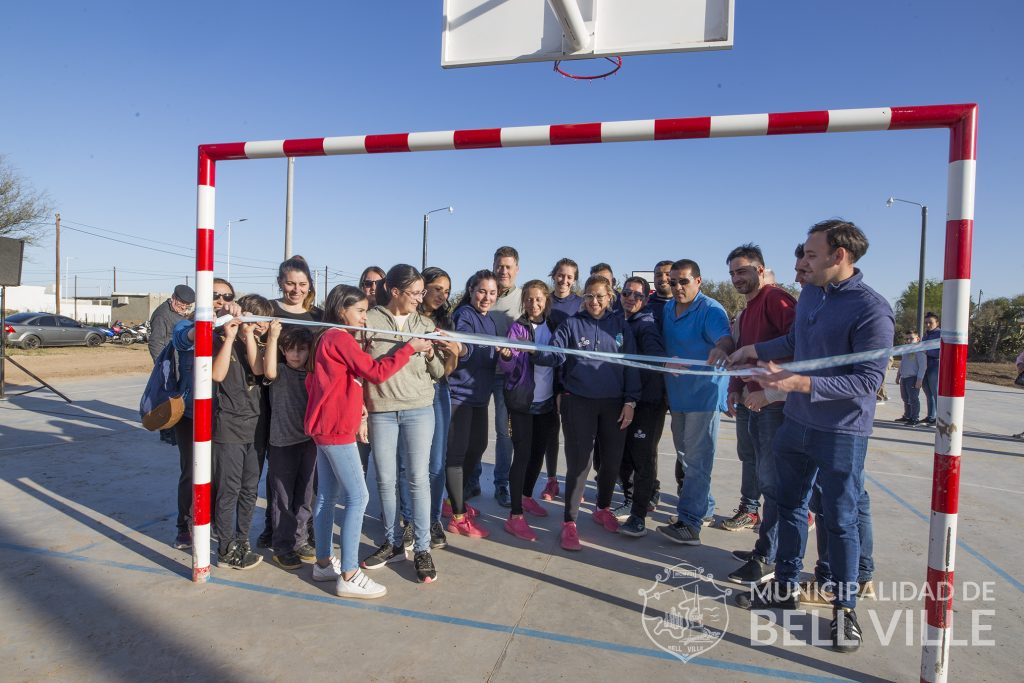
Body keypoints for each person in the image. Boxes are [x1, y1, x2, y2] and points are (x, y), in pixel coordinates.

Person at [729, 219, 894, 653]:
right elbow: (794, 340)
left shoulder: (872, 309)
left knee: (839, 520)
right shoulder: (812, 296)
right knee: (787, 506)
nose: (801, 262)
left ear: (839, 256)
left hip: (840, 432)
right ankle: (784, 585)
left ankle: (844, 608)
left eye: (809, 254)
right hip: (796, 424)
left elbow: (867, 380)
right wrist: (752, 350)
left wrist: (797, 383)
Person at [306, 284, 434, 598]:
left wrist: (356, 408)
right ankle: (349, 574)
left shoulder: (328, 337)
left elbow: (333, 380)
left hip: (326, 426)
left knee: (326, 495)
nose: (365, 317)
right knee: (358, 497)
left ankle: (323, 563)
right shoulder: (338, 337)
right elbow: (375, 372)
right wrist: (409, 348)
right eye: (360, 311)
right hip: (335, 430)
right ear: (341, 310)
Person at [542, 275, 640, 550]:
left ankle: (603, 508)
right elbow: (556, 354)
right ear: (583, 297)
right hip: (578, 401)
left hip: (614, 403)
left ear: (610, 297)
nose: (594, 301)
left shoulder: (620, 325)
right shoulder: (571, 324)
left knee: (611, 460)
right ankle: (569, 522)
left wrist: (631, 401)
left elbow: (632, 364)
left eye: (599, 296)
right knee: (579, 462)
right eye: (589, 296)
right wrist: (536, 352)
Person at [362, 264, 445, 583]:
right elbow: (361, 367)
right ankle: (393, 543)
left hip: (419, 409)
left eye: (422, 292)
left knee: (417, 480)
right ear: (395, 291)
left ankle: (422, 548)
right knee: (384, 480)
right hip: (381, 409)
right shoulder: (368, 320)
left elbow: (438, 372)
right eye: (416, 293)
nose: (420, 298)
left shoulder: (424, 323)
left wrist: (434, 354)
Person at [720, 244, 797, 587]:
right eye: (732, 273)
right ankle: (764, 547)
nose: (737, 278)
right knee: (759, 474)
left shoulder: (777, 300)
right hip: (752, 402)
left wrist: (770, 394)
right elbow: (742, 353)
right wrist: (735, 386)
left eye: (743, 271)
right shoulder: (748, 310)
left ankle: (769, 556)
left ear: (761, 270)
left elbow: (798, 346)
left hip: (774, 406)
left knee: (773, 483)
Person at [656, 259, 733, 545]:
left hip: (704, 396)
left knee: (698, 460)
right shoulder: (668, 308)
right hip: (678, 395)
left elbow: (725, 340)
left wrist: (721, 349)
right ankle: (705, 507)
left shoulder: (710, 310)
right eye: (673, 282)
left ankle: (690, 523)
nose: (678, 287)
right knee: (685, 456)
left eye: (684, 281)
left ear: (698, 281)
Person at [169, 282, 239, 550]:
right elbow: (183, 339)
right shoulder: (186, 325)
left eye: (227, 296)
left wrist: (238, 319)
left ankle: (214, 521)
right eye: (214, 294)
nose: (220, 299)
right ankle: (185, 525)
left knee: (221, 474)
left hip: (226, 414)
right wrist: (204, 326)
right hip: (192, 413)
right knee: (192, 471)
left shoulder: (232, 326)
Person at [211, 293, 274, 571]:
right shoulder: (221, 338)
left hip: (256, 426)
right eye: (256, 320)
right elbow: (217, 375)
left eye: (264, 322)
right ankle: (225, 548)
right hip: (229, 425)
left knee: (249, 489)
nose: (261, 326)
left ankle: (242, 540)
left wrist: (251, 336)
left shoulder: (260, 345)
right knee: (229, 489)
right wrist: (230, 336)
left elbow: (260, 370)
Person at [498, 280, 561, 541]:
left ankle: (526, 497)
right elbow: (509, 367)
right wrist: (506, 357)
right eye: (528, 299)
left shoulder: (555, 327)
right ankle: (515, 516)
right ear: (523, 301)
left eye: (538, 299)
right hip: (522, 402)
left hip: (547, 403)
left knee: (537, 455)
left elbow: (560, 358)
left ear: (546, 300)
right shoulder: (518, 328)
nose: (533, 304)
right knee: (522, 456)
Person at [406, 266, 461, 549]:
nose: (442, 295)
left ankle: (433, 520)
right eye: (437, 288)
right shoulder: (407, 317)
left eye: (447, 291)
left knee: (436, 462)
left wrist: (453, 353)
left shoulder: (446, 322)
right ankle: (408, 520)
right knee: (409, 462)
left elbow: (446, 371)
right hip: (409, 391)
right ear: (422, 287)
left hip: (438, 391)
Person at [446, 270, 501, 538]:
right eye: (482, 291)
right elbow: (464, 345)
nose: (486, 297)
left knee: (477, 447)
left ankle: (452, 501)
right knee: (457, 455)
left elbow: (489, 356)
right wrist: (465, 349)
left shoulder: (489, 321)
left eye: (492, 293)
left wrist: (505, 353)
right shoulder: (464, 315)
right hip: (460, 395)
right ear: (471, 291)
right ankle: (457, 516)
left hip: (480, 396)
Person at [614, 276, 668, 538]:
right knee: (621, 456)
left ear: (646, 300)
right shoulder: (618, 320)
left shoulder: (646, 324)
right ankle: (629, 499)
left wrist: (665, 362)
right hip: (625, 400)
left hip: (648, 402)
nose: (631, 298)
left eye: (637, 295)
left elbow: (655, 355)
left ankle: (638, 516)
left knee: (642, 458)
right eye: (627, 293)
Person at [263, 324, 317, 570]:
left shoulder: (313, 373)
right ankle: (282, 546)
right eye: (290, 349)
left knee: (305, 495)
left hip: (309, 442)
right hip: (282, 443)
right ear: (283, 351)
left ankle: (300, 540)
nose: (296, 354)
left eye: (301, 349)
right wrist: (274, 337)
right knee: (282, 499)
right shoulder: (280, 371)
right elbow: (269, 371)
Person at [475, 246, 522, 508]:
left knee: (504, 432)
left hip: (507, 376)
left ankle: (501, 483)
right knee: (475, 430)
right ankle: (472, 479)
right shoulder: (483, 292)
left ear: (516, 269)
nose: (503, 271)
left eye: (508, 266)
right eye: (499, 265)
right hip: (480, 373)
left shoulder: (523, 297)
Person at [543, 257, 583, 501]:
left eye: (569, 277)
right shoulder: (543, 300)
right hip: (547, 375)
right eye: (560, 275)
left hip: (571, 376)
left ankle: (574, 483)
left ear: (575, 280)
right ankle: (551, 480)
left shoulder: (581, 303)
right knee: (551, 431)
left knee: (572, 434)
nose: (564, 280)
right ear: (553, 275)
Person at [148, 283, 195, 445]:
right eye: (181, 304)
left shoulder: (177, 313)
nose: (184, 307)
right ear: (173, 298)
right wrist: (162, 367)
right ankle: (167, 432)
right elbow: (155, 342)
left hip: (179, 362)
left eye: (187, 305)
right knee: (168, 398)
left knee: (177, 396)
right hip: (169, 364)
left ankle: (173, 430)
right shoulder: (162, 315)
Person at [272, 255, 323, 322]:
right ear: (279, 282)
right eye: (290, 283)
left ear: (310, 284)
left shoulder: (321, 316)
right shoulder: (266, 309)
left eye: (302, 284)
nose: (296, 290)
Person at [895, 331, 926, 425]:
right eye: (907, 339)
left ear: (918, 339)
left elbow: (923, 366)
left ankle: (914, 418)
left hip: (913, 378)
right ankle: (907, 416)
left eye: (911, 338)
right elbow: (902, 363)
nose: (908, 340)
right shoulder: (905, 350)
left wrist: (919, 380)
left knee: (913, 399)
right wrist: (898, 375)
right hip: (904, 378)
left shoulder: (919, 350)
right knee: (905, 398)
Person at [922, 312, 941, 424]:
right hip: (924, 367)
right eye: (926, 323)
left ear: (937, 323)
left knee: (935, 392)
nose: (928, 325)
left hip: (935, 366)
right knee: (928, 393)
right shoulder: (925, 335)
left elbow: (942, 352)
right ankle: (930, 417)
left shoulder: (940, 334)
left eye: (930, 322)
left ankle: (940, 418)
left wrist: (927, 352)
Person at [649, 260, 674, 327]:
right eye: (658, 275)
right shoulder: (644, 305)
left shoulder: (686, 304)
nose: (663, 279)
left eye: (668, 274)